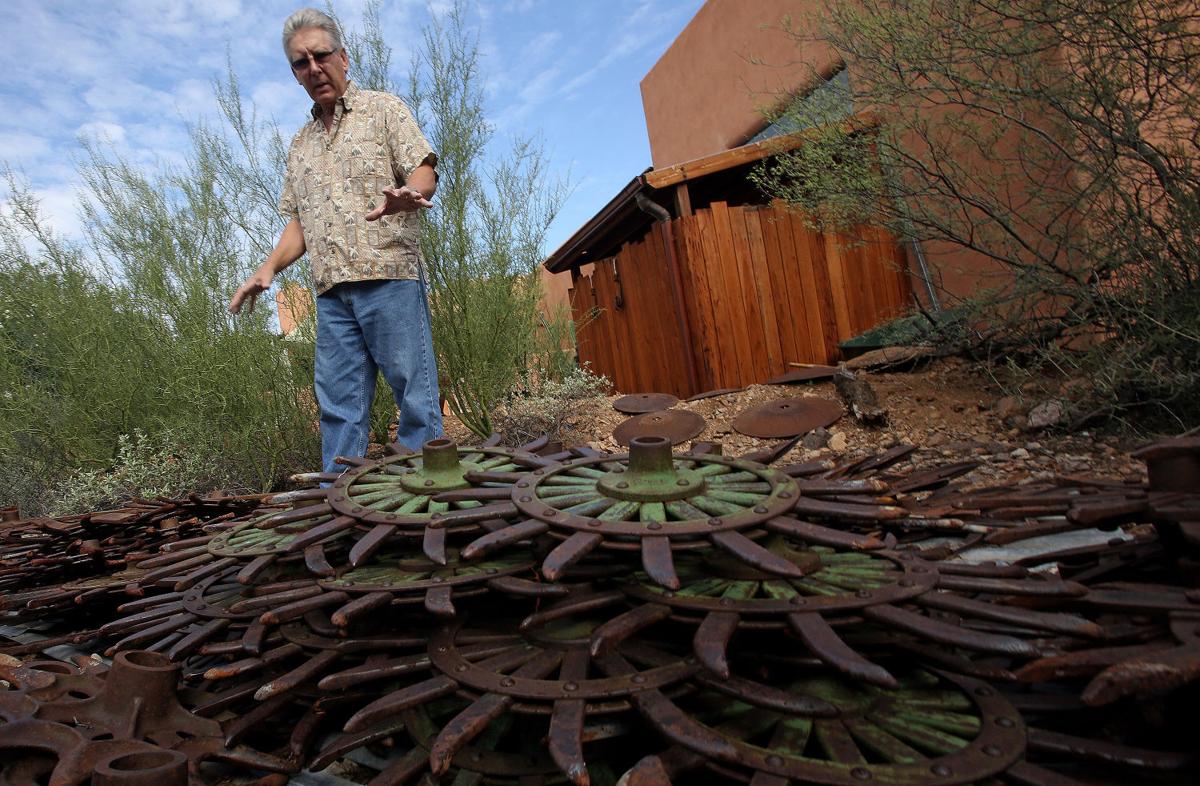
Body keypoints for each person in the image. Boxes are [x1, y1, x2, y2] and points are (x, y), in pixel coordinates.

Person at [229, 7, 443, 475]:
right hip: (331, 296)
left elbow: (423, 169)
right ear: (295, 75)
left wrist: (412, 193)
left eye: (321, 55)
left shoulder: (383, 110)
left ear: (343, 58)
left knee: (415, 397)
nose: (314, 67)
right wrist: (269, 267)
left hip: (390, 278)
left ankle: (429, 501)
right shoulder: (300, 145)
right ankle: (339, 511)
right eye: (301, 63)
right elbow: (300, 223)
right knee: (339, 410)